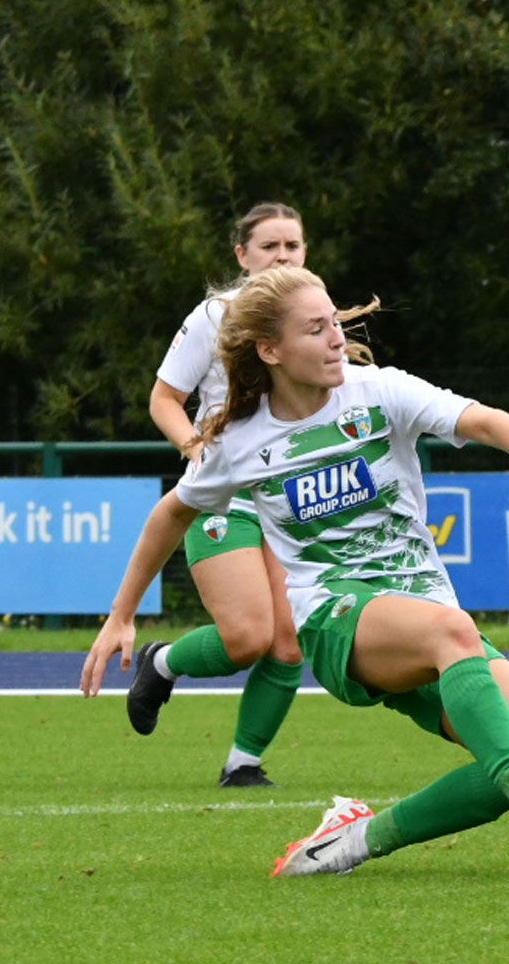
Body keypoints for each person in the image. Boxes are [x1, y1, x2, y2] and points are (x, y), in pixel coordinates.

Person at [83, 266, 509, 874]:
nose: (336, 339)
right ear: (270, 350)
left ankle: (351, 842)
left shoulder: (379, 391)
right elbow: (170, 514)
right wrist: (121, 615)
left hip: (420, 614)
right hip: (334, 619)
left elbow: (486, 421)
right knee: (456, 637)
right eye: (315, 330)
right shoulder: (241, 442)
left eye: (337, 324)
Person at [138, 202, 309, 787]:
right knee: (246, 637)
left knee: (288, 643)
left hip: (291, 496)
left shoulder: (314, 315)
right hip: (226, 494)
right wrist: (196, 450)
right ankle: (161, 663)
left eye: (293, 246)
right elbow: (164, 398)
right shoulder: (217, 314)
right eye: (270, 246)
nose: (282, 256)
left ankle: (243, 763)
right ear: (242, 255)